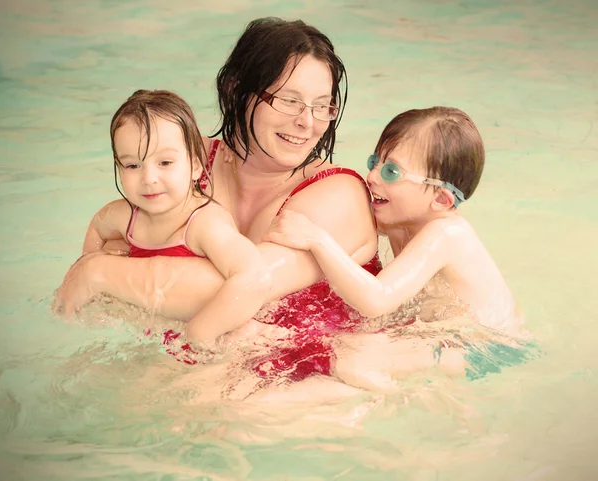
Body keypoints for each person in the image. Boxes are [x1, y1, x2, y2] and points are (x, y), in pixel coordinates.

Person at [53, 18, 380, 383]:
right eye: (290, 101)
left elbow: (241, 287)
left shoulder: (339, 195)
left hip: (318, 379)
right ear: (235, 88)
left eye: (322, 106)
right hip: (200, 362)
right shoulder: (182, 168)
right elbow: (122, 252)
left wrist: (97, 272)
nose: (308, 122)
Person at [265, 106, 524, 336]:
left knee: (354, 355)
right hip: (448, 334)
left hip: (487, 343)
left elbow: (376, 300)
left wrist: (317, 240)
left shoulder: (448, 234)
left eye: (391, 171)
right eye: (375, 161)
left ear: (442, 200)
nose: (372, 176)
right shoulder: (401, 221)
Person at [81, 89, 270, 341]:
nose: (148, 179)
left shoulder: (204, 223)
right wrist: (91, 260)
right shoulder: (122, 216)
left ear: (195, 165)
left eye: (165, 163)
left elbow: (254, 276)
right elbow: (97, 227)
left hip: (224, 333)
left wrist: (202, 331)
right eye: (132, 165)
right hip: (163, 333)